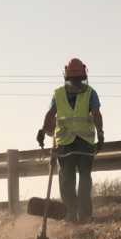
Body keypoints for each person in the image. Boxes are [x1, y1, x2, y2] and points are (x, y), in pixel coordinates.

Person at [37, 58, 104, 223]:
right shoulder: (65, 93)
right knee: (75, 180)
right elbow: (51, 114)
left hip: (79, 143)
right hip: (71, 143)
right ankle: (75, 215)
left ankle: (79, 215)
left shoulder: (87, 93)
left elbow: (96, 115)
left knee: (75, 180)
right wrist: (43, 130)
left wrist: (43, 131)